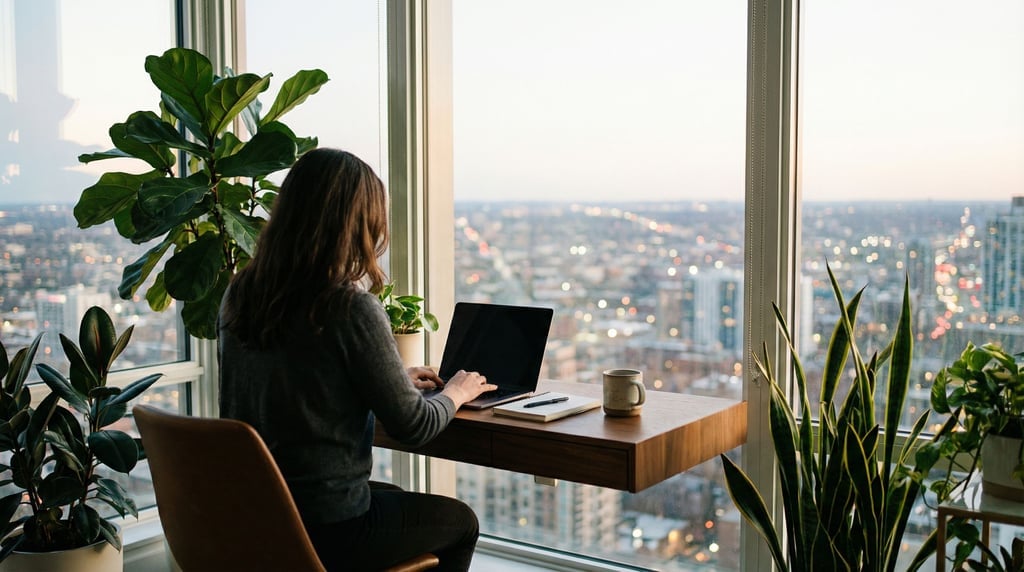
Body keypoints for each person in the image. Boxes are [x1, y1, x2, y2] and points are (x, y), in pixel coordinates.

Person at [218, 147, 497, 571]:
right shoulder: (348, 306)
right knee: (461, 522)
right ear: (358, 224)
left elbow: (294, 378)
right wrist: (457, 392)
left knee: (399, 500)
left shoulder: (241, 292)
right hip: (328, 526)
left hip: (259, 515)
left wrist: (387, 378)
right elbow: (414, 426)